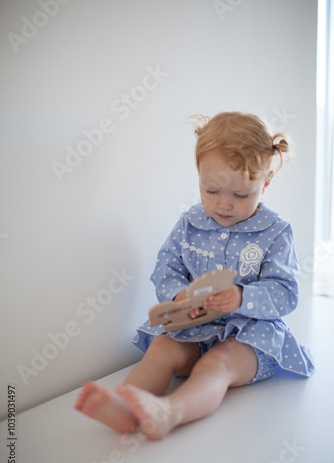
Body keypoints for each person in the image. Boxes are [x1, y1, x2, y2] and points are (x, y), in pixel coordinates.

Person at [75, 112, 315, 440]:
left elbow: (286, 293)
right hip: (196, 326)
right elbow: (167, 267)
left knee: (217, 364)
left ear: (266, 182)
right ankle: (124, 409)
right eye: (211, 190)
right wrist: (178, 296)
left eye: (241, 195)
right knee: (162, 348)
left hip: (249, 337)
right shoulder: (190, 222)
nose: (224, 204)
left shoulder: (275, 232)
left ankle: (170, 412)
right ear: (199, 176)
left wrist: (242, 297)